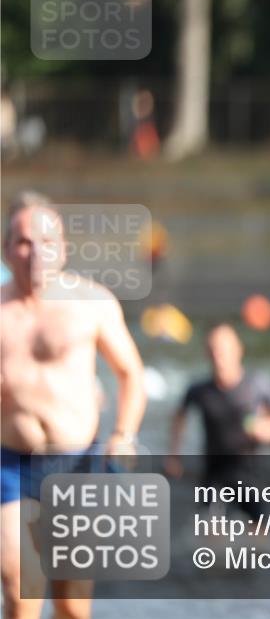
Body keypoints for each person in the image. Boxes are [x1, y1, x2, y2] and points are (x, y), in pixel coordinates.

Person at [1, 191, 146, 619]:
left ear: (63, 249)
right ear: (7, 250)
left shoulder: (92, 303)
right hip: (9, 464)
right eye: (24, 242)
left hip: (79, 463)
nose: (35, 254)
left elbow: (131, 374)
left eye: (47, 242)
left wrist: (123, 435)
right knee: (20, 593)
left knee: (72, 606)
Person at [165, 323, 270, 517]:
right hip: (214, 472)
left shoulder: (257, 384)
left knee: (259, 537)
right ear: (206, 354)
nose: (218, 356)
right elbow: (179, 417)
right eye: (213, 350)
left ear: (238, 350)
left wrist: (268, 429)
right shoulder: (199, 390)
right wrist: (174, 455)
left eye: (223, 350)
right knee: (210, 535)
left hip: (252, 472)